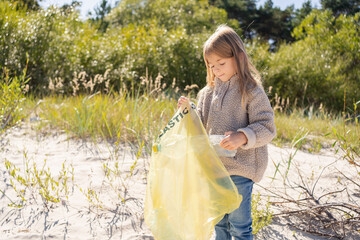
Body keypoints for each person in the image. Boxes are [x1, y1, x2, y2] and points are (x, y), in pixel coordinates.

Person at [177, 25, 276, 240]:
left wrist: (242, 136)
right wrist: (188, 113)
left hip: (241, 169)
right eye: (211, 65)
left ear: (239, 58)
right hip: (214, 170)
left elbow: (267, 127)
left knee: (239, 226)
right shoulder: (206, 93)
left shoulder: (251, 90)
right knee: (220, 225)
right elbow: (201, 127)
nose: (216, 70)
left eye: (221, 63)